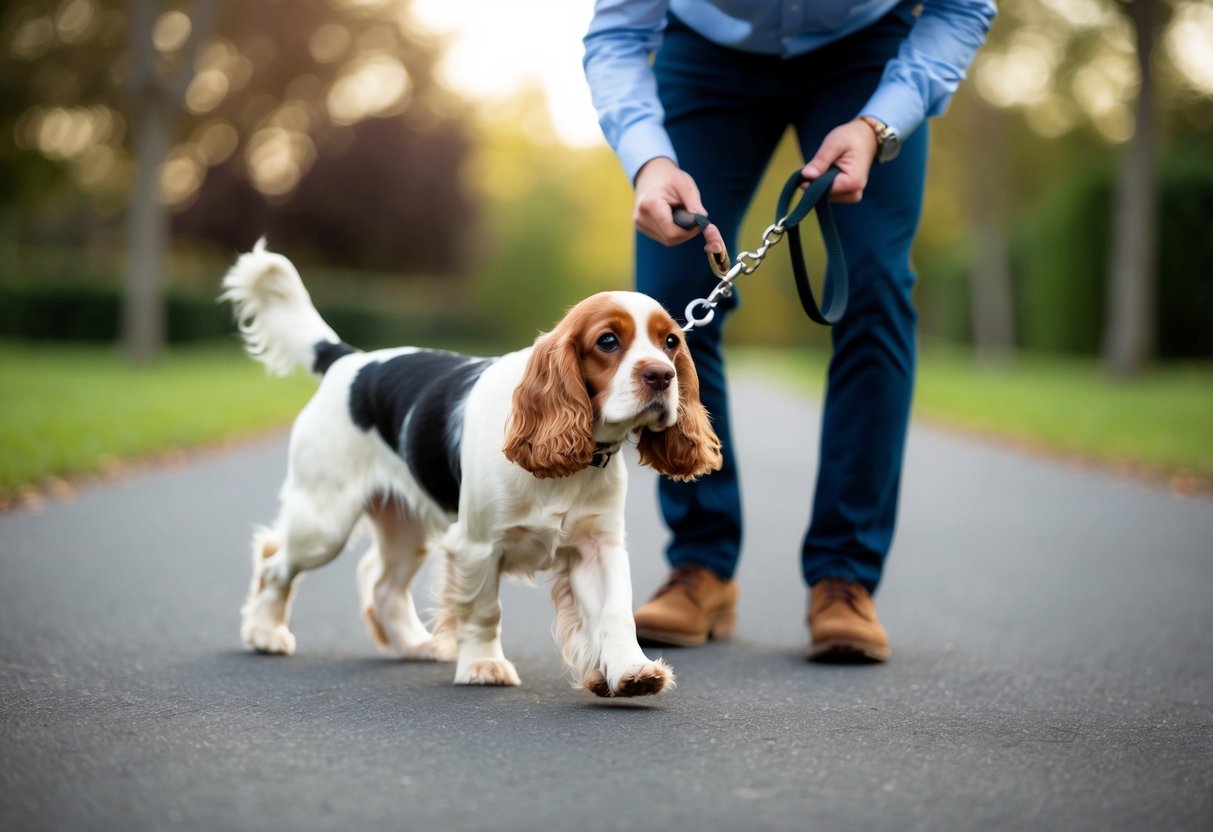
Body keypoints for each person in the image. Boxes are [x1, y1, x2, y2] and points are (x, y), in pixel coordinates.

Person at [583, 0, 996, 662]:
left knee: (874, 288)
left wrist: (878, 122)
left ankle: (845, 577)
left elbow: (962, 6)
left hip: (867, 56)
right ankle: (701, 564)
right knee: (672, 299)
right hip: (706, 54)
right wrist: (648, 161)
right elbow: (617, 32)